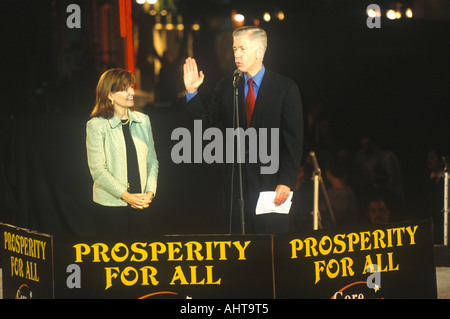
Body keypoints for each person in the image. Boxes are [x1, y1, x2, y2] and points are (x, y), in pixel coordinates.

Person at [183, 26, 303, 234]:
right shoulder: (227, 86)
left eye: (242, 49)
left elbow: (293, 140)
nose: (236, 54)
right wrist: (192, 92)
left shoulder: (285, 88)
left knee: (270, 251)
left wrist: (286, 181)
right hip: (235, 189)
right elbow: (203, 124)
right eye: (234, 49)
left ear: (260, 51)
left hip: (271, 186)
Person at [86, 68, 159, 236]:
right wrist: (126, 196)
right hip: (110, 208)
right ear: (109, 95)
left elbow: (152, 161)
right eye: (125, 89)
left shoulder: (144, 120)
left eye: (131, 87)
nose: (132, 92)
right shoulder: (96, 125)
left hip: (141, 205)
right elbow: (98, 171)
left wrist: (150, 192)